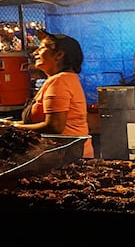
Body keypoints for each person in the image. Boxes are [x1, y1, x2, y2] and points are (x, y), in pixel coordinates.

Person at [1, 30, 93, 158]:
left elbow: (54, 126)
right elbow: (41, 121)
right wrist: (10, 125)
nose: (35, 53)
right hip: (66, 154)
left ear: (59, 55)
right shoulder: (61, 79)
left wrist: (15, 128)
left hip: (66, 157)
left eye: (42, 48)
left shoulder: (59, 81)